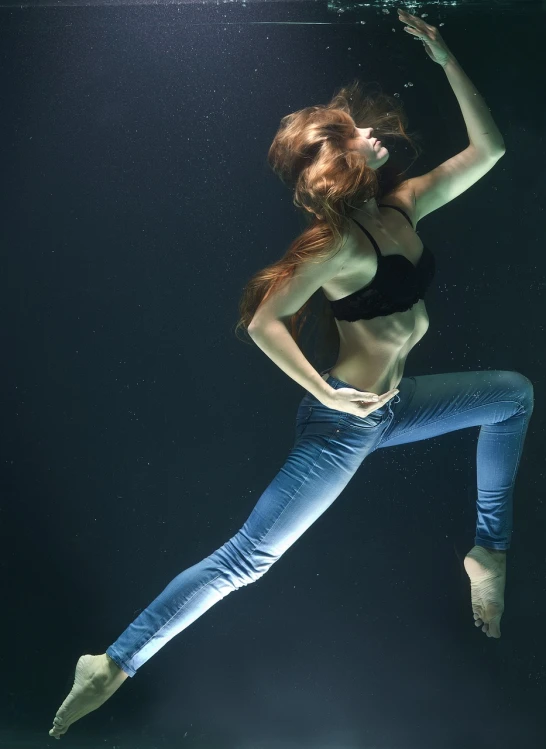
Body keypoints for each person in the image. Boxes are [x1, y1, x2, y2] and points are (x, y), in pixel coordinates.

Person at [49, 9, 534, 740]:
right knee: (249, 557)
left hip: (394, 407)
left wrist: (444, 57)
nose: (372, 134)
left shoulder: (402, 205)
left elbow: (490, 148)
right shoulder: (333, 246)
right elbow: (262, 323)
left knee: (511, 396)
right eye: (353, 136)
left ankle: (486, 552)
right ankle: (113, 661)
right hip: (343, 428)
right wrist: (323, 390)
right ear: (340, 162)